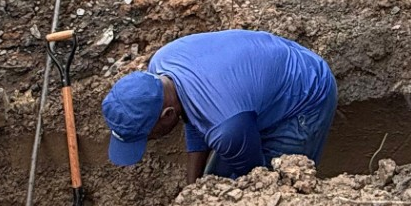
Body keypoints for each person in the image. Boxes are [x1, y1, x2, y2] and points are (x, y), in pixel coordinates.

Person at [102, 30, 338, 182]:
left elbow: (257, 180)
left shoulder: (226, 128)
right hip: (258, 80)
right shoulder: (162, 65)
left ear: (167, 114)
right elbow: (194, 118)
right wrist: (192, 187)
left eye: (148, 136)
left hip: (306, 93)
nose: (150, 141)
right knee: (217, 179)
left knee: (277, 185)